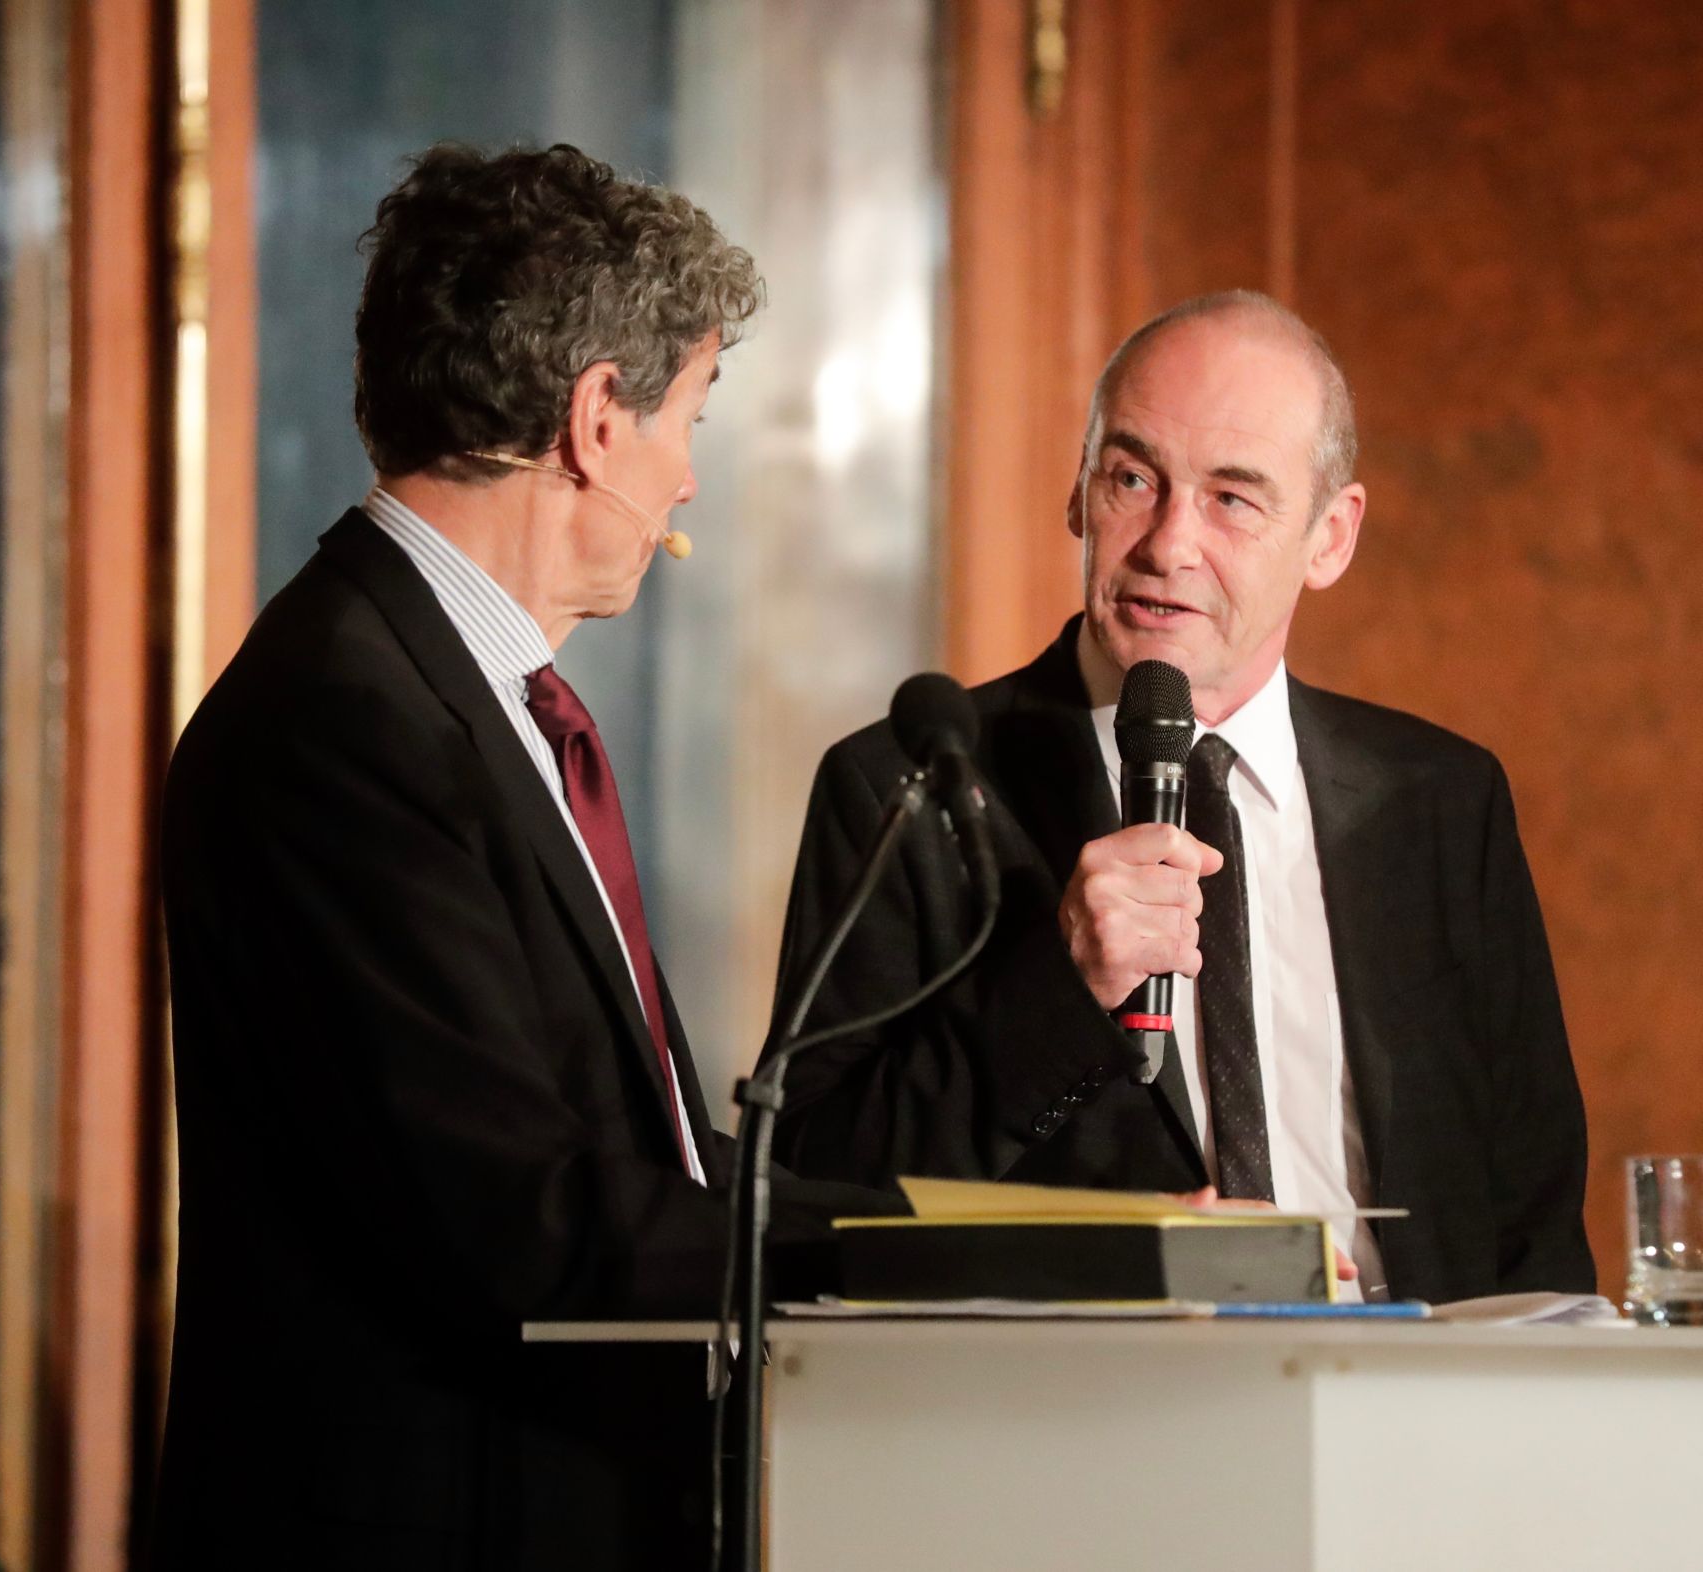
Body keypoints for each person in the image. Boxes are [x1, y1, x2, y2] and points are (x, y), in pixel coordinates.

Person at [153, 143, 886, 1571]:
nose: (688, 480)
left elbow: (639, 1149)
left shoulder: (456, 691)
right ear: (597, 420)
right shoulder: (344, 720)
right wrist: (903, 1257)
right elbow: (519, 1213)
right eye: (689, 416)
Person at [767, 290, 1594, 1306]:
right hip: (1092, 1389)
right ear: (1077, 492)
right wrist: (1058, 988)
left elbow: (1533, 1214)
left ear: (1330, 538)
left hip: (1407, 1382)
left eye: (1232, 499)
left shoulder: (1440, 801)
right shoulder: (912, 785)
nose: (1167, 544)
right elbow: (811, 1185)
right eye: (1131, 479)